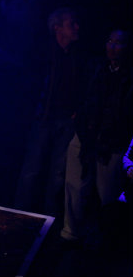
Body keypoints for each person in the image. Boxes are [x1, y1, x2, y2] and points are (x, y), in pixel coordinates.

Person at [15, 8, 88, 218]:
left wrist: (76, 111)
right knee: (32, 169)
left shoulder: (77, 55)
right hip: (44, 118)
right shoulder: (42, 53)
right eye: (71, 23)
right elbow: (29, 86)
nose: (76, 27)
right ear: (57, 27)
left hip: (66, 119)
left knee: (57, 172)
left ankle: (50, 217)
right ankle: (20, 214)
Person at [61, 30, 133, 242]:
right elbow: (83, 96)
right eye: (109, 41)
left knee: (108, 192)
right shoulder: (96, 68)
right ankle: (70, 233)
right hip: (86, 133)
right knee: (74, 184)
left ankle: (104, 237)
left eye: (118, 43)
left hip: (112, 141)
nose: (112, 46)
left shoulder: (128, 76)